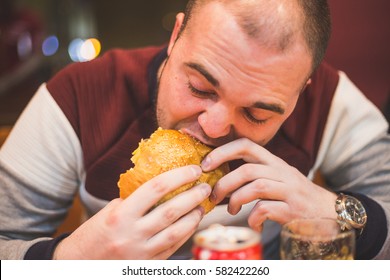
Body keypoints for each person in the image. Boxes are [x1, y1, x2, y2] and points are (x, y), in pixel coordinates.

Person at [0, 0, 389, 260]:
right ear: (175, 38)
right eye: (200, 88)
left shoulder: (330, 98)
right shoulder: (77, 96)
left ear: (302, 88)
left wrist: (341, 213)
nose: (214, 127)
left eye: (257, 113)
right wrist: (69, 259)